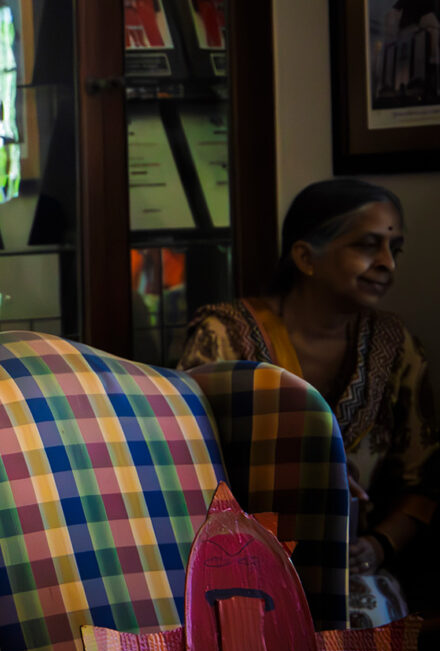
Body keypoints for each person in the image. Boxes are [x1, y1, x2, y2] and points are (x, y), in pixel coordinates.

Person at [177, 178, 436, 628]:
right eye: (367, 246)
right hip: (239, 567)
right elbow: (184, 466)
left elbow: (426, 479)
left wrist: (376, 546)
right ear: (304, 257)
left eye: (395, 249)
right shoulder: (224, 335)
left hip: (358, 578)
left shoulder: (396, 348)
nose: (387, 264)